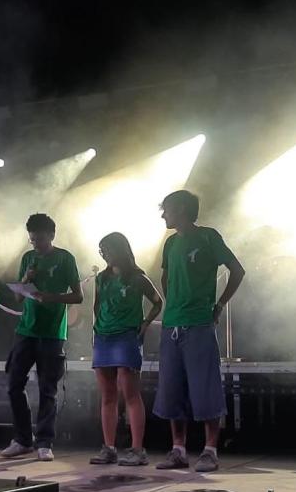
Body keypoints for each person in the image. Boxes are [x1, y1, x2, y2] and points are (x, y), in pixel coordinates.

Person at [154, 190, 245, 473]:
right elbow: (165, 276)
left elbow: (237, 270)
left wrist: (219, 305)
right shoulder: (170, 243)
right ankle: (178, 450)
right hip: (172, 324)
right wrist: (173, 302)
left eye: (167, 209)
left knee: (205, 386)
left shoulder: (208, 236)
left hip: (200, 324)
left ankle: (210, 450)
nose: (163, 215)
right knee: (172, 387)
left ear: (182, 209)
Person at [1, 213, 83, 462]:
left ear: (52, 235)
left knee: (48, 389)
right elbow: (18, 297)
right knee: (14, 384)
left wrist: (51, 297)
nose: (35, 244)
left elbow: (78, 296)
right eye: (32, 239)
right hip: (26, 330)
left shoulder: (65, 258)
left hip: (52, 333)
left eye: (39, 239)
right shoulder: (28, 258)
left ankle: (44, 442)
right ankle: (22, 439)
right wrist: (26, 280)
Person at [88, 232, 163, 466]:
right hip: (103, 337)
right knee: (107, 394)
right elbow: (97, 306)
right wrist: (97, 330)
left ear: (120, 249)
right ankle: (109, 448)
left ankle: (138, 450)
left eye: (107, 250)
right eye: (102, 251)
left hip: (126, 336)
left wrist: (145, 324)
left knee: (130, 392)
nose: (104, 255)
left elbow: (158, 302)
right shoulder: (102, 278)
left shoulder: (138, 278)